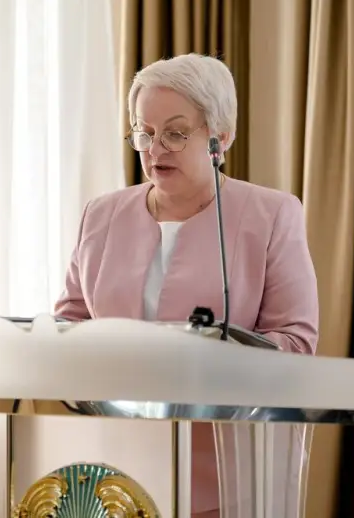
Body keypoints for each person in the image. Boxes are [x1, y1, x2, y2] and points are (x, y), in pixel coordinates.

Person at [53, 53, 320, 516]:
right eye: (144, 132)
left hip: (232, 472)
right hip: (115, 474)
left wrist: (210, 355)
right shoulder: (101, 215)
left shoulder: (272, 215)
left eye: (175, 134)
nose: (155, 150)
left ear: (222, 136)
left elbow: (296, 343)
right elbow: (67, 326)